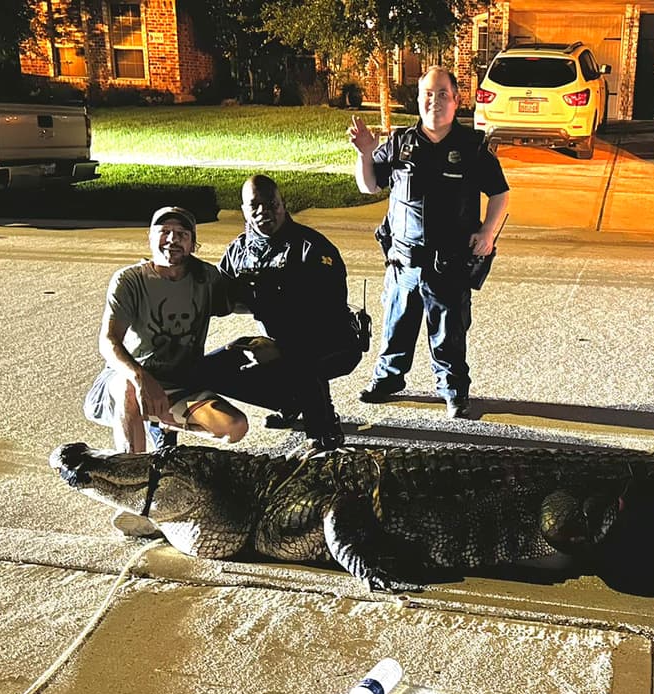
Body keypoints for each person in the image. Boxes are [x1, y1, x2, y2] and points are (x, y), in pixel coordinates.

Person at [348, 66, 510, 419]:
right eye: (427, 94)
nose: (433, 101)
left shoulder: (472, 147)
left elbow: (499, 194)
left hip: (448, 263)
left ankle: (453, 390)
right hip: (403, 261)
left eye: (441, 94)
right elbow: (369, 186)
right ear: (418, 99)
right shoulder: (400, 143)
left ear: (455, 100)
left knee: (449, 333)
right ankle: (388, 380)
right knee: (395, 327)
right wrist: (365, 153)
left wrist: (487, 233)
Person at [84, 207, 249, 535]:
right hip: (129, 379)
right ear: (150, 237)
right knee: (130, 389)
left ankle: (163, 436)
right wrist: (140, 376)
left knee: (235, 427)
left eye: (182, 234)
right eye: (164, 231)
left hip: (179, 385)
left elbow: (244, 300)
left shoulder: (206, 278)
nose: (172, 239)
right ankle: (134, 492)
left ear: (193, 244)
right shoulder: (130, 280)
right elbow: (108, 341)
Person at [200, 174, 360, 451]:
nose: (264, 212)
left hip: (330, 339)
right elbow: (220, 297)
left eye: (271, 204)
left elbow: (329, 315)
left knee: (301, 362)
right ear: (244, 211)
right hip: (270, 341)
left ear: (283, 205)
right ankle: (289, 402)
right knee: (208, 369)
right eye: (255, 206)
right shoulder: (239, 250)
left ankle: (323, 431)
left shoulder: (312, 250)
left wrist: (282, 349)